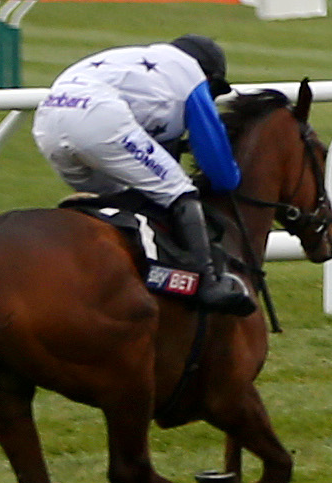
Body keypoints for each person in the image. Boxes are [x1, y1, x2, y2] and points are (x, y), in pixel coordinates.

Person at [30, 32, 255, 313]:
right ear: (209, 77)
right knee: (179, 190)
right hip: (99, 119)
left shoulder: (144, 65)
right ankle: (208, 283)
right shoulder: (192, 76)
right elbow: (218, 166)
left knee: (120, 196)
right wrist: (232, 178)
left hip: (47, 123)